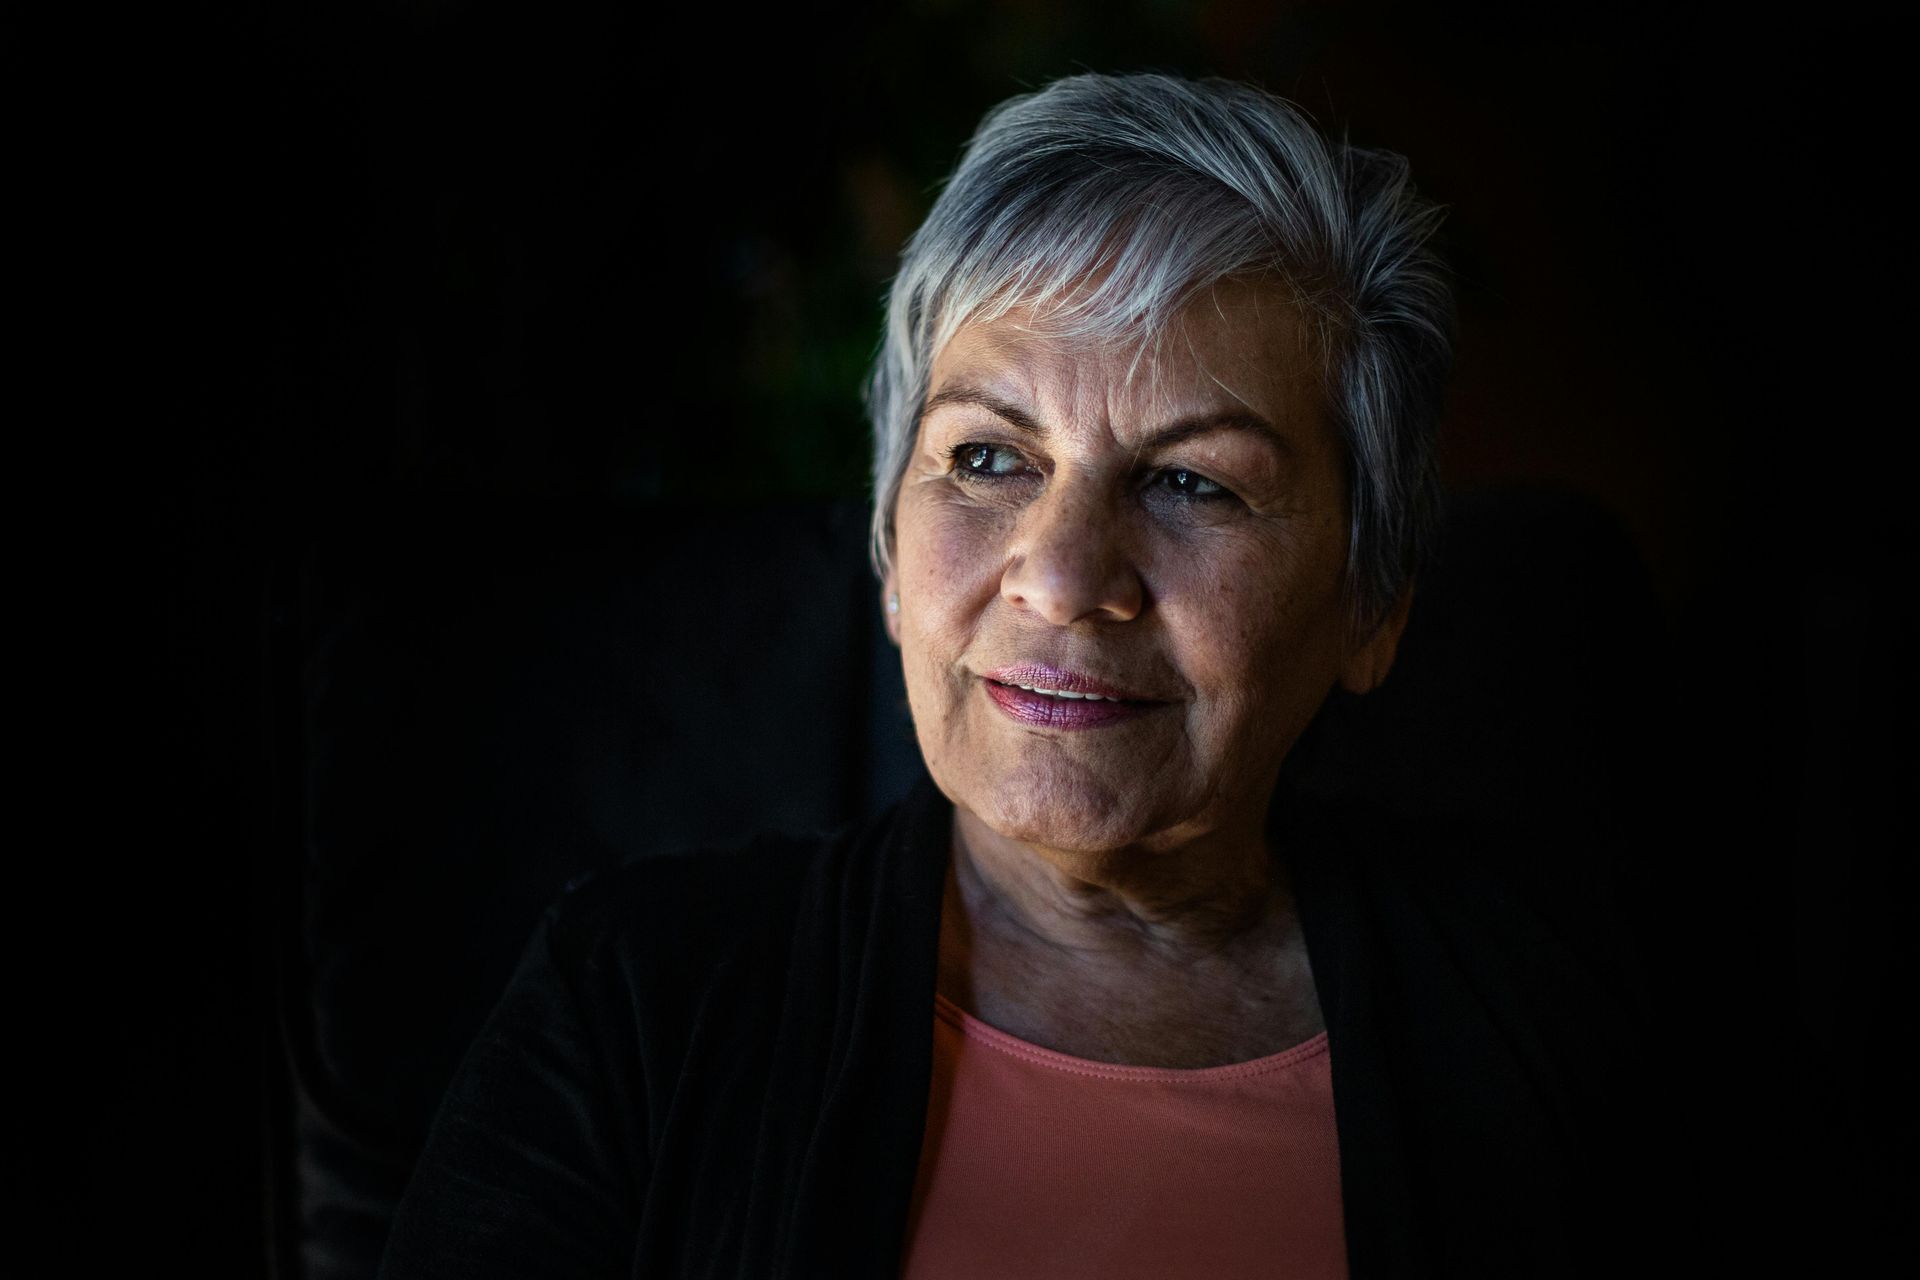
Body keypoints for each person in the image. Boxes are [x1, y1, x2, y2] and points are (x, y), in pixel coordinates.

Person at [378, 72, 1674, 1278]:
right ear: (889, 545)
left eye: (1191, 482)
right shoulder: (636, 1003)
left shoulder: (1565, 1022)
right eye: (988, 459)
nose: (1059, 579)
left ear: (1371, 605)